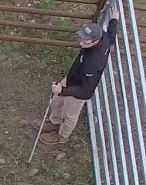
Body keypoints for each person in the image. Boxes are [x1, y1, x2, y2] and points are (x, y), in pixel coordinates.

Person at [40, 7, 122, 145]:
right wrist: (114, 19)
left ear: (95, 41)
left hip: (79, 91)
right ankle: (54, 121)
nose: (80, 42)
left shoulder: (92, 64)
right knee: (57, 100)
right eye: (81, 38)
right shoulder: (104, 38)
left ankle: (62, 136)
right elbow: (112, 35)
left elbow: (86, 89)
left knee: (70, 115)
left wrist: (63, 91)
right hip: (73, 77)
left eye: (85, 41)